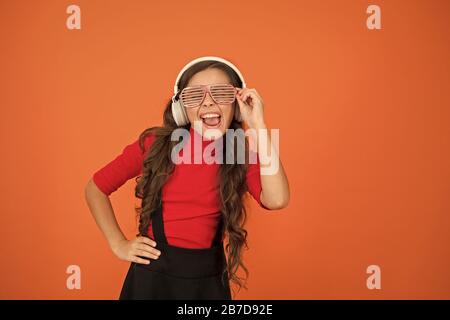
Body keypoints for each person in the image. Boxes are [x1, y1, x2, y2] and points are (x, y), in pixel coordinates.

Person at [84, 56, 290, 299]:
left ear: (237, 104)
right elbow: (95, 188)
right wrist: (118, 243)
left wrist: (258, 125)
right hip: (151, 280)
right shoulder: (155, 145)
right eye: (194, 96)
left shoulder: (239, 152)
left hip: (208, 281)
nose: (208, 103)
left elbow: (277, 199)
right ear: (180, 107)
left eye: (221, 94)